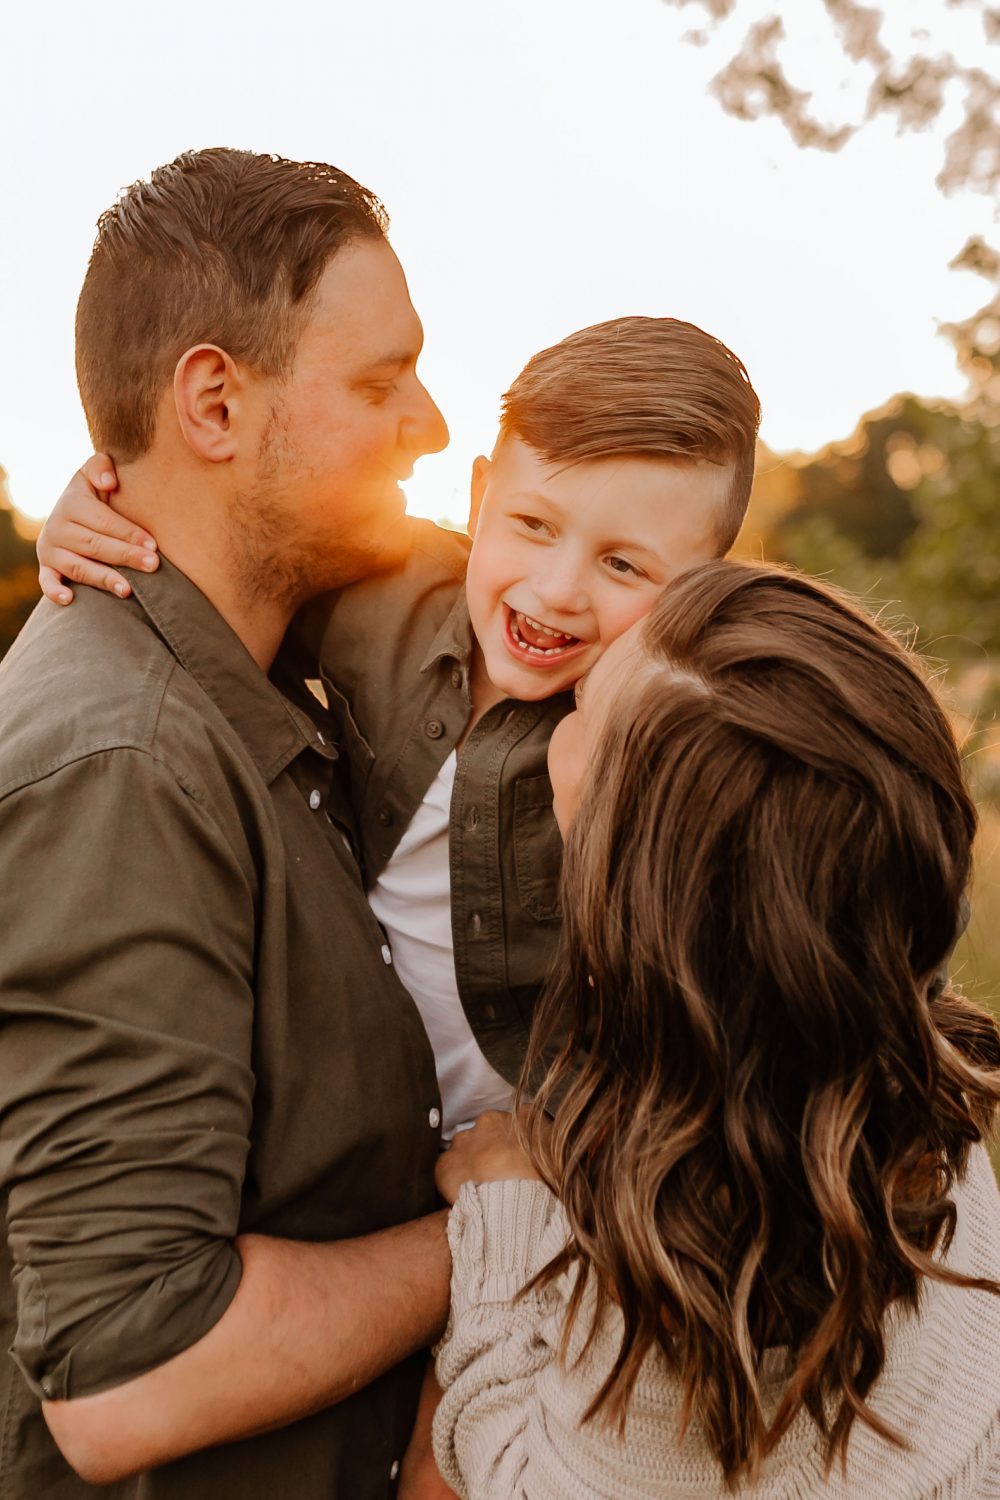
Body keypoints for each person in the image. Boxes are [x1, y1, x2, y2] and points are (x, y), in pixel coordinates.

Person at [0, 147, 457, 1499]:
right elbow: (131, 1371)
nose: (428, 422)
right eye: (380, 383)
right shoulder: (124, 764)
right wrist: (515, 1232)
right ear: (214, 400)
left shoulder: (261, 677)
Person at [38, 316, 761, 1137]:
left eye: (624, 564)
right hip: (347, 1122)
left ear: (701, 589)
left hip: (553, 1153)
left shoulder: (681, 738)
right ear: (481, 495)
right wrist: (91, 511)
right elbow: (221, 551)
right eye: (533, 526)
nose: (559, 590)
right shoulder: (383, 589)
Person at [430, 559, 1000, 1499]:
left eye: (584, 717)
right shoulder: (902, 1050)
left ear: (646, 887)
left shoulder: (692, 1268)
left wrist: (504, 1213)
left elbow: (534, 1483)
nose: (561, 707)